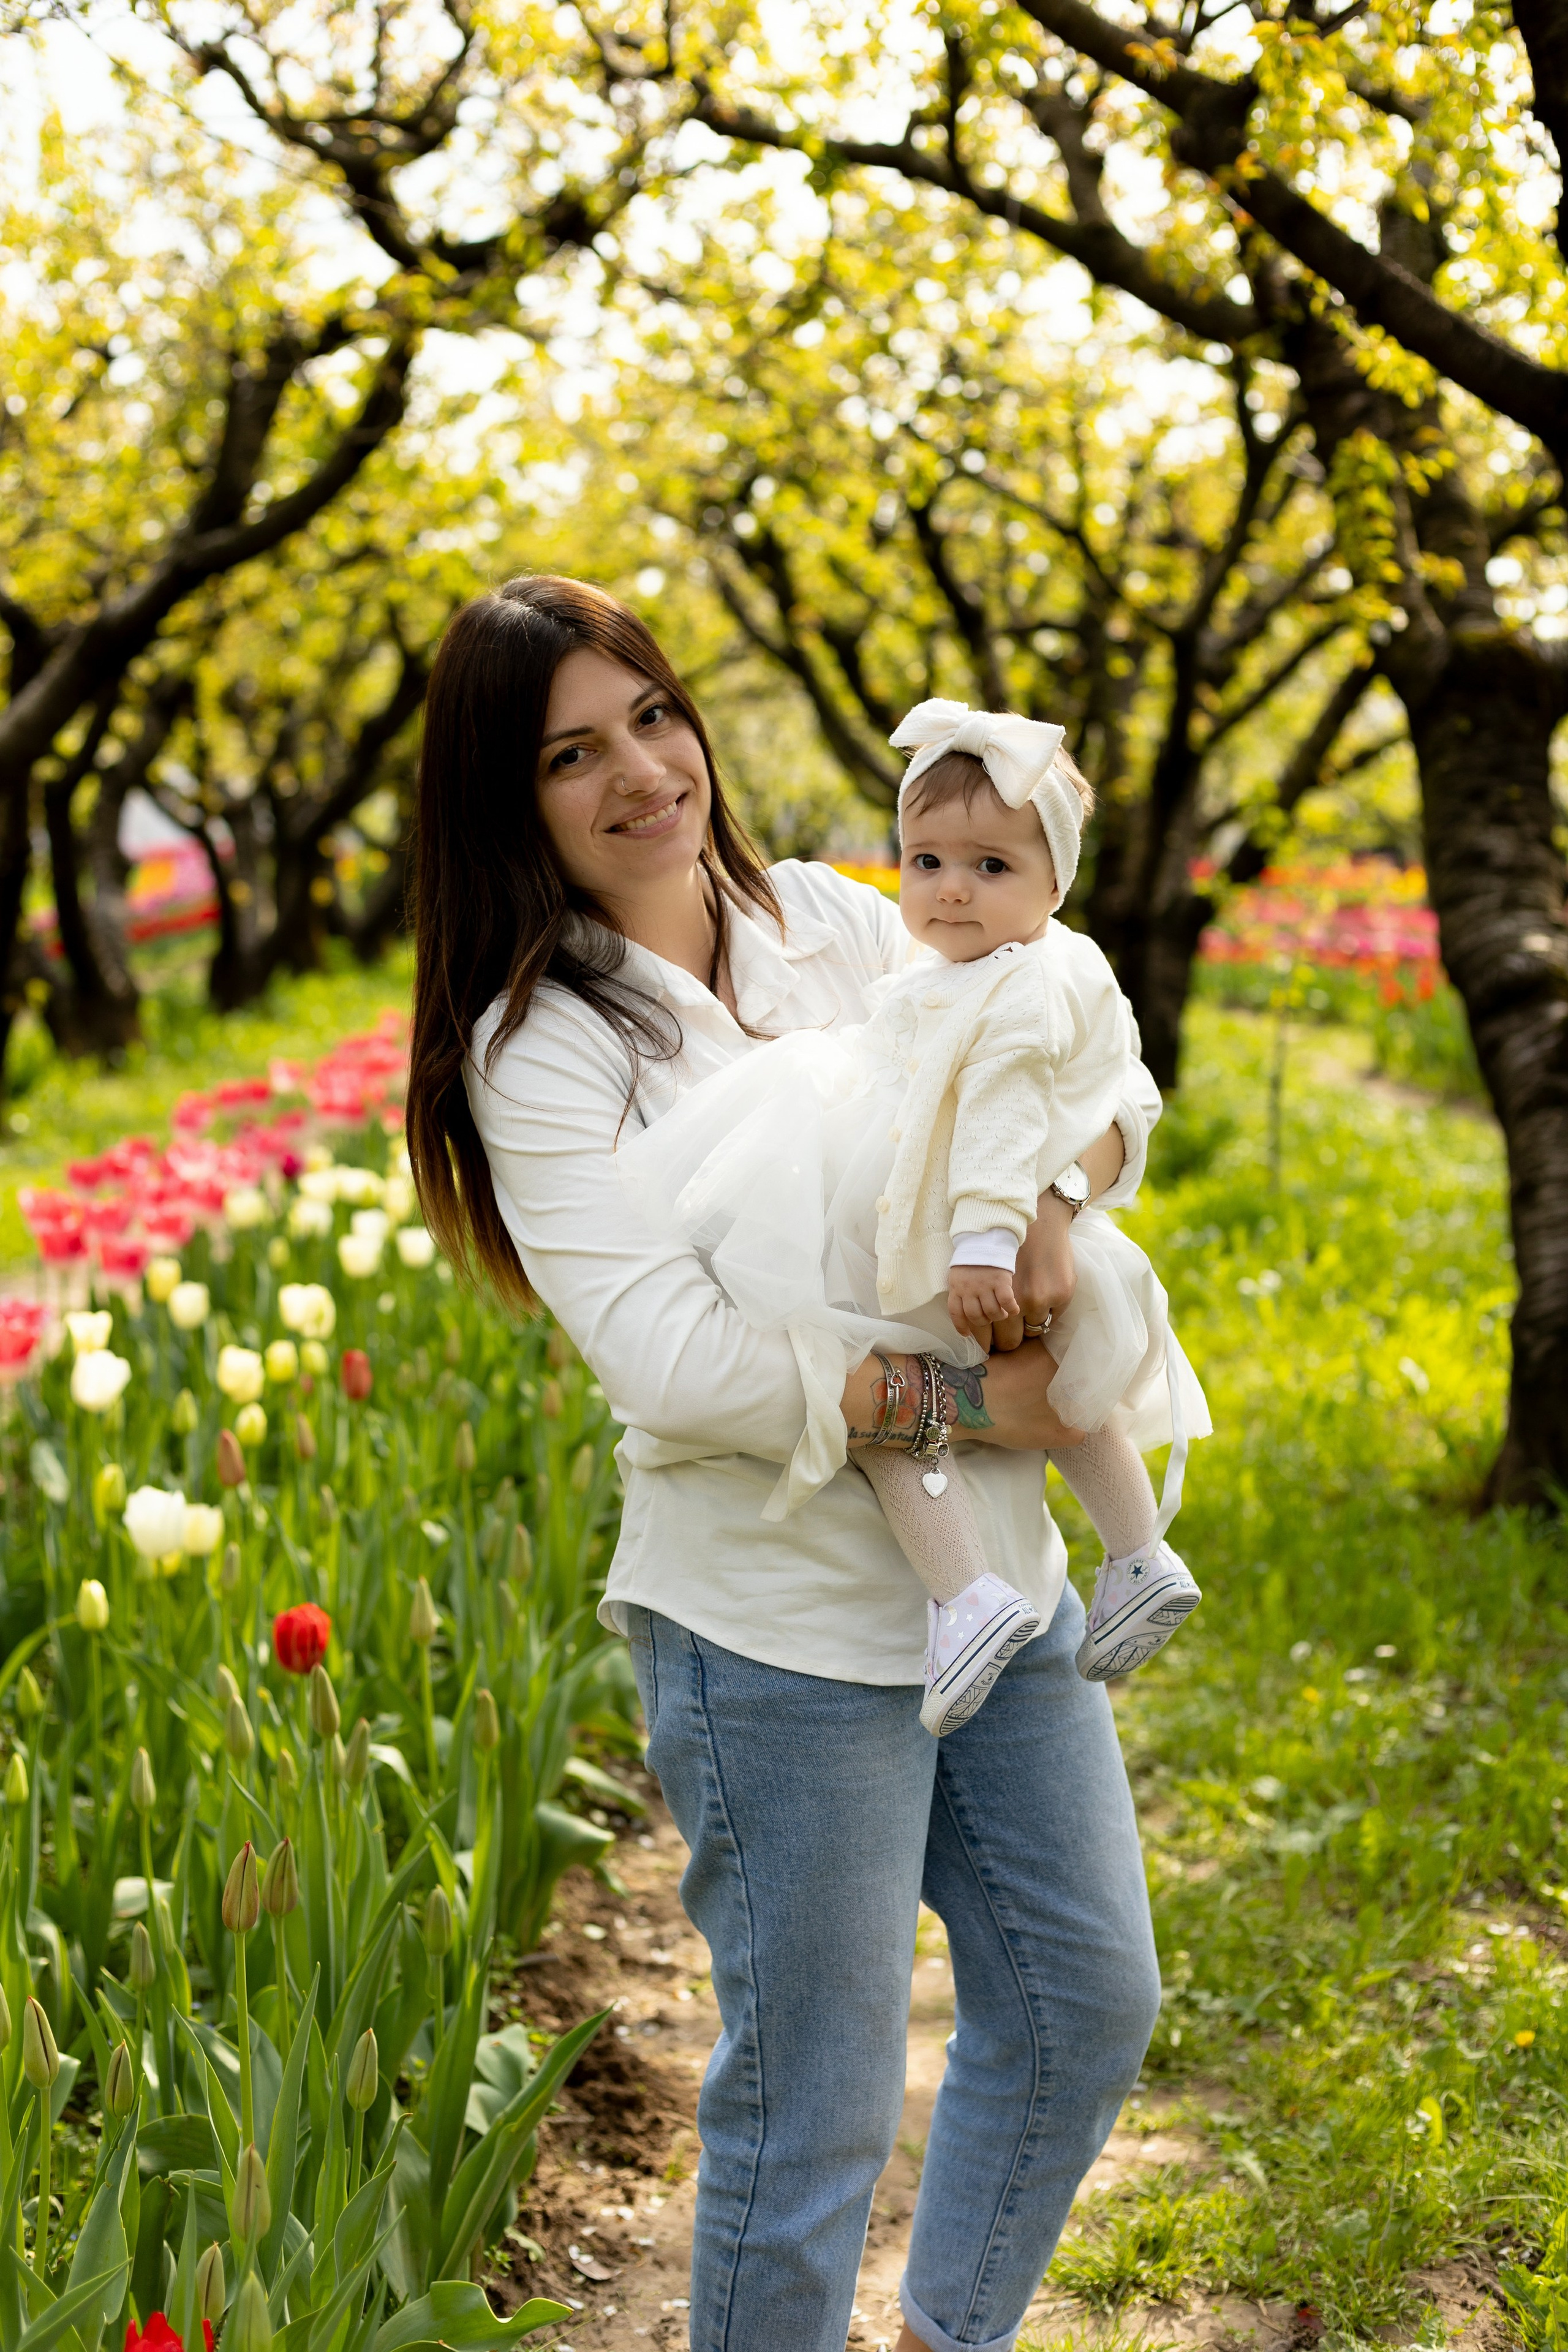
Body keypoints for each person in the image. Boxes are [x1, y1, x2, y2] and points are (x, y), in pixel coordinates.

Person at [407, 575, 1166, 2352]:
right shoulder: (542, 1049)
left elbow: (1075, 1058)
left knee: (1081, 1998)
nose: (639, 775)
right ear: (505, 804)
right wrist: (1000, 1414)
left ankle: (946, 2337)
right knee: (814, 2108)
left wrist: (1061, 1201)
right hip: (770, 1632)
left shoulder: (845, 918)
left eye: (652, 717)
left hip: (998, 1582)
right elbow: (679, 1366)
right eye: (569, 756)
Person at [617, 696, 1208, 1730]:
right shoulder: (1021, 968)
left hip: (956, 1244)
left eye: (991, 867)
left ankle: (969, 1596)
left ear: (1055, 883)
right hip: (964, 1231)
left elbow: (999, 1122)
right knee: (1064, 1394)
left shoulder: (1006, 991)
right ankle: (1138, 1555)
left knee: (882, 1404)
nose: (949, 891)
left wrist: (997, 1234)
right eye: (926, 861)